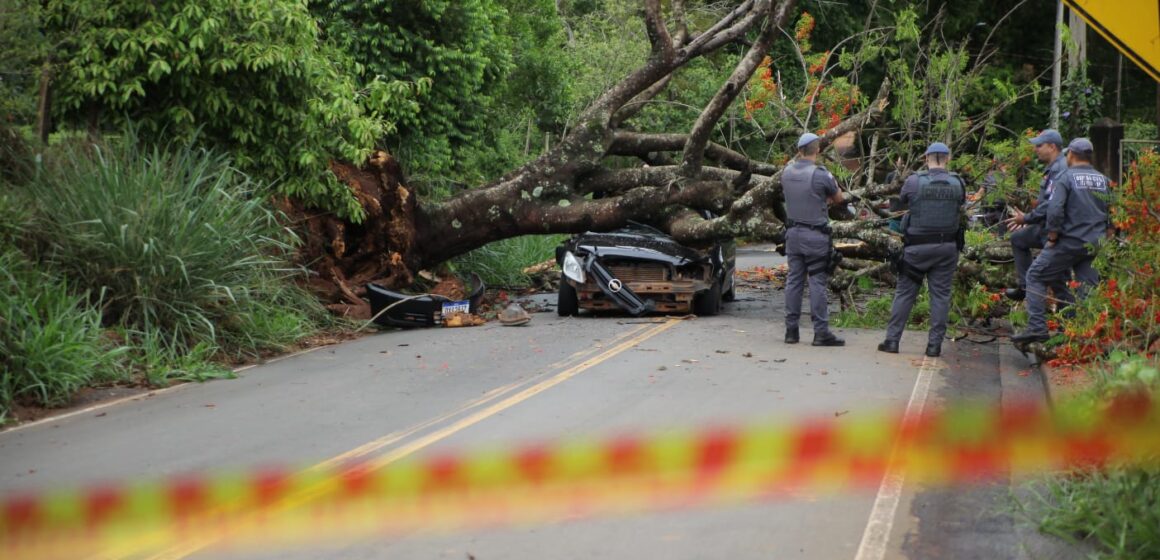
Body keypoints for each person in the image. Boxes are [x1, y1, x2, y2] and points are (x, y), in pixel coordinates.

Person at [1012, 138, 1110, 345]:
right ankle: (1083, 335)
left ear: (1072, 155)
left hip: (1068, 242)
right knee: (1087, 289)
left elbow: (1055, 209)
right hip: (1094, 244)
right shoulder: (1103, 180)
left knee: (1035, 275)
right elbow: (1112, 212)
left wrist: (1053, 237)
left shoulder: (1066, 177)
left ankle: (1037, 328)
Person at [877, 142, 966, 358]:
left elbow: (900, 204)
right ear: (948, 158)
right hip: (946, 248)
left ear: (926, 158)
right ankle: (934, 346)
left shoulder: (914, 181)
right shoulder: (958, 183)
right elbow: (961, 206)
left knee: (905, 293)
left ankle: (892, 340)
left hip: (917, 248)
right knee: (941, 296)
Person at [782, 132, 847, 347]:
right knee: (817, 281)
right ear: (818, 150)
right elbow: (839, 198)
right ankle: (821, 332)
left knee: (794, 280)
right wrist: (825, 198)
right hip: (815, 236)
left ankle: (791, 331)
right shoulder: (820, 174)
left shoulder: (786, 172)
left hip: (793, 234)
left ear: (799, 150)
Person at [1003, 129, 1068, 301]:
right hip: (1043, 226)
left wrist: (1026, 218)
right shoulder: (1052, 168)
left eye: (1040, 145)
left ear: (1052, 147)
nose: (1035, 149)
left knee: (1057, 279)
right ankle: (1025, 287)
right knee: (1018, 239)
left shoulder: (1061, 169)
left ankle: (1067, 320)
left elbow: (1052, 204)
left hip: (1054, 230)